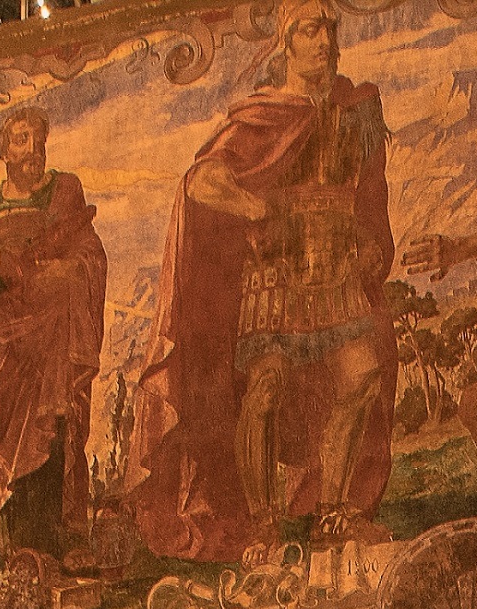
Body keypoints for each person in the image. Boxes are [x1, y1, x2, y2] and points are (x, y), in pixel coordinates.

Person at [131, 0, 393, 558]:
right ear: (286, 42)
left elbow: (369, 195)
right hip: (275, 272)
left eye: (328, 29)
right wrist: (255, 210)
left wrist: (371, 243)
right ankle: (265, 523)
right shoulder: (266, 112)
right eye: (308, 30)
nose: (322, 41)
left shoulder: (356, 109)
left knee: (361, 377)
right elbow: (201, 181)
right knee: (267, 385)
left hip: (334, 269)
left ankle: (331, 514)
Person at [0, 107, 106, 556]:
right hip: (6, 346)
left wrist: (63, 272)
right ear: (4, 151)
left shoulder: (65, 193)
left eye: (39, 140)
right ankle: (21, 548)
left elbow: (91, 259)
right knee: (9, 438)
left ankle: (64, 541)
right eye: (22, 140)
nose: (34, 150)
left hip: (56, 339)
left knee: (59, 426)